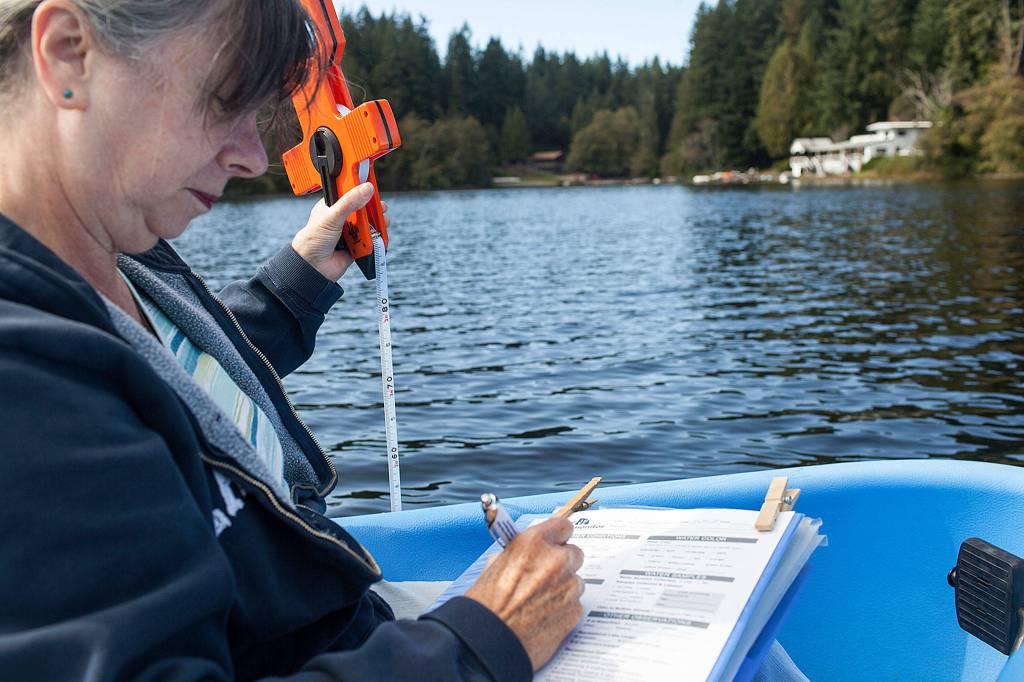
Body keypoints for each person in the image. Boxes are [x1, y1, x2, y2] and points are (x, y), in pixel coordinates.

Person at [0, 1, 584, 680]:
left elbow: (173, 400)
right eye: (225, 101)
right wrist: (479, 642)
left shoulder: (120, 250)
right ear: (69, 54)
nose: (253, 157)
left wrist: (293, 286)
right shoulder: (21, 384)